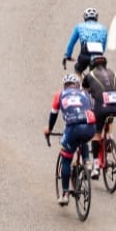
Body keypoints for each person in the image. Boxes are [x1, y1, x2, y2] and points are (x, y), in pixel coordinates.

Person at [44, 71, 97, 206]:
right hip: (90, 126)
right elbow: (92, 108)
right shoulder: (85, 93)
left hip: (72, 127)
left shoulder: (59, 94)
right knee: (83, 138)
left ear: (64, 86)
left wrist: (49, 130)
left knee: (66, 159)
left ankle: (65, 193)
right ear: (77, 85)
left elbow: (53, 115)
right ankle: (87, 161)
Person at [82, 51, 116, 176]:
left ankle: (95, 167)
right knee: (110, 114)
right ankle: (110, 137)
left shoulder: (90, 75)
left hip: (102, 107)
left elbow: (84, 94)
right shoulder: (113, 73)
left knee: (96, 133)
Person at [63, 6, 108, 75]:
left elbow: (71, 43)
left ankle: (80, 84)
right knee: (97, 75)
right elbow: (103, 46)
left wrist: (68, 55)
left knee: (77, 70)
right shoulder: (103, 28)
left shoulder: (79, 26)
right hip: (99, 55)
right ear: (96, 18)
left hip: (85, 54)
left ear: (85, 18)